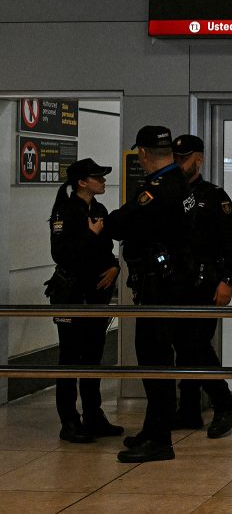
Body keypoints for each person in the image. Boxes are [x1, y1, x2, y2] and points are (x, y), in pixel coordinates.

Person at [104, 125, 195, 463]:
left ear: (142, 153)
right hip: (171, 282)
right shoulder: (181, 182)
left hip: (160, 286)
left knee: (154, 359)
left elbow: (120, 224)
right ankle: (153, 428)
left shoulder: (158, 188)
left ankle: (160, 439)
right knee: (157, 359)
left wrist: (104, 224)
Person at [45, 158, 124, 443]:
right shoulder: (64, 211)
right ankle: (69, 421)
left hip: (96, 293)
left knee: (93, 355)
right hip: (71, 293)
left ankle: (94, 415)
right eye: (97, 178)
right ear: (82, 182)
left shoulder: (99, 209)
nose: (103, 181)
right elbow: (61, 254)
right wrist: (89, 236)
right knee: (69, 357)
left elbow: (106, 248)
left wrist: (114, 266)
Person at [170, 134, 232, 438]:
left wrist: (227, 280)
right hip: (175, 284)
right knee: (182, 347)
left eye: (184, 158)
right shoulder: (168, 193)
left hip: (205, 284)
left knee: (197, 345)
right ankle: (188, 409)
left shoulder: (214, 196)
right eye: (175, 157)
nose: (179, 163)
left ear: (198, 159)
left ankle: (224, 404)